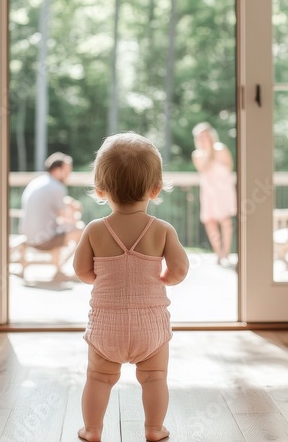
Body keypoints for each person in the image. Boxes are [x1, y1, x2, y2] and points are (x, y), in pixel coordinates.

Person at [73, 132, 189, 442]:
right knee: (154, 378)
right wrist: (166, 280)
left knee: (98, 377)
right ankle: (154, 429)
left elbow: (82, 271)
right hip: (150, 324)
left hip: (106, 324)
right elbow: (179, 269)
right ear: (155, 188)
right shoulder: (162, 230)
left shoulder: (95, 230)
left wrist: (103, 279)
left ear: (100, 188)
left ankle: (93, 430)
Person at [20, 152, 84, 270]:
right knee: (81, 230)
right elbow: (66, 218)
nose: (68, 175)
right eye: (67, 171)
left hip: (27, 236)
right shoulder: (57, 187)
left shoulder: (38, 182)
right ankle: (63, 267)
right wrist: (75, 213)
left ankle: (58, 267)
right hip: (43, 240)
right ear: (57, 170)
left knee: (58, 229)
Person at [191, 122, 237, 266]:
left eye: (205, 136)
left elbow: (229, 166)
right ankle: (218, 253)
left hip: (223, 190)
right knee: (210, 222)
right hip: (208, 192)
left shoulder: (221, 148)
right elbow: (202, 169)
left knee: (225, 221)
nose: (202, 139)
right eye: (200, 137)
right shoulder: (197, 155)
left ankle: (226, 253)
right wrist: (207, 151)